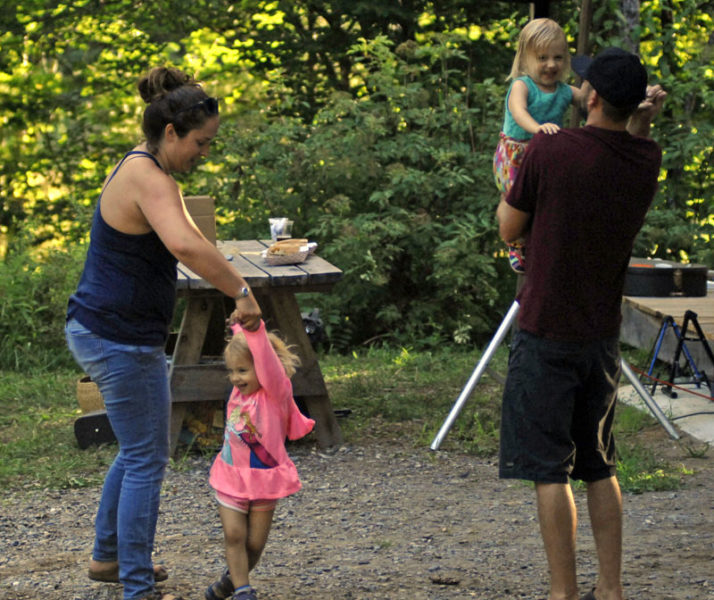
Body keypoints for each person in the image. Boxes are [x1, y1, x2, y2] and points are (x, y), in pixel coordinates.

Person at [65, 66, 262, 600]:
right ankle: (136, 587)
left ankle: (109, 558)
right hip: (116, 336)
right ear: (171, 132)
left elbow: (193, 237)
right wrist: (241, 291)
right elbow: (184, 245)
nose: (205, 152)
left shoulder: (149, 167)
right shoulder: (147, 175)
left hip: (114, 330)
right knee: (148, 457)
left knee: (136, 451)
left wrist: (225, 276)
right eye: (201, 142)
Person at [496, 47, 667, 600]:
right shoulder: (646, 160)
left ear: (590, 96)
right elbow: (623, 144)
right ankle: (610, 590)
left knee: (550, 470)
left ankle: (563, 594)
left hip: (546, 327)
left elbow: (507, 227)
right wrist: (640, 120)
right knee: (599, 464)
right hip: (600, 335)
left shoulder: (551, 150)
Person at [204, 318, 314, 600]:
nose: (236, 378)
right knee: (234, 536)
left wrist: (253, 328)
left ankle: (229, 583)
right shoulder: (238, 393)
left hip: (264, 481)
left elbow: (264, 358)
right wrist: (237, 330)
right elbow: (249, 354)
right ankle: (243, 590)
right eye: (231, 372)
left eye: (242, 370)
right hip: (231, 477)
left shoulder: (275, 393)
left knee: (254, 544)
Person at [493, 17, 584, 273]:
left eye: (557, 57)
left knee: (540, 200)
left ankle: (535, 241)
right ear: (525, 60)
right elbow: (518, 112)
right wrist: (538, 128)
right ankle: (514, 243)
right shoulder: (522, 86)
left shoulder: (564, 90)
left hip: (544, 155)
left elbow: (589, 100)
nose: (551, 65)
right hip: (516, 152)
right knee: (512, 199)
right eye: (542, 58)